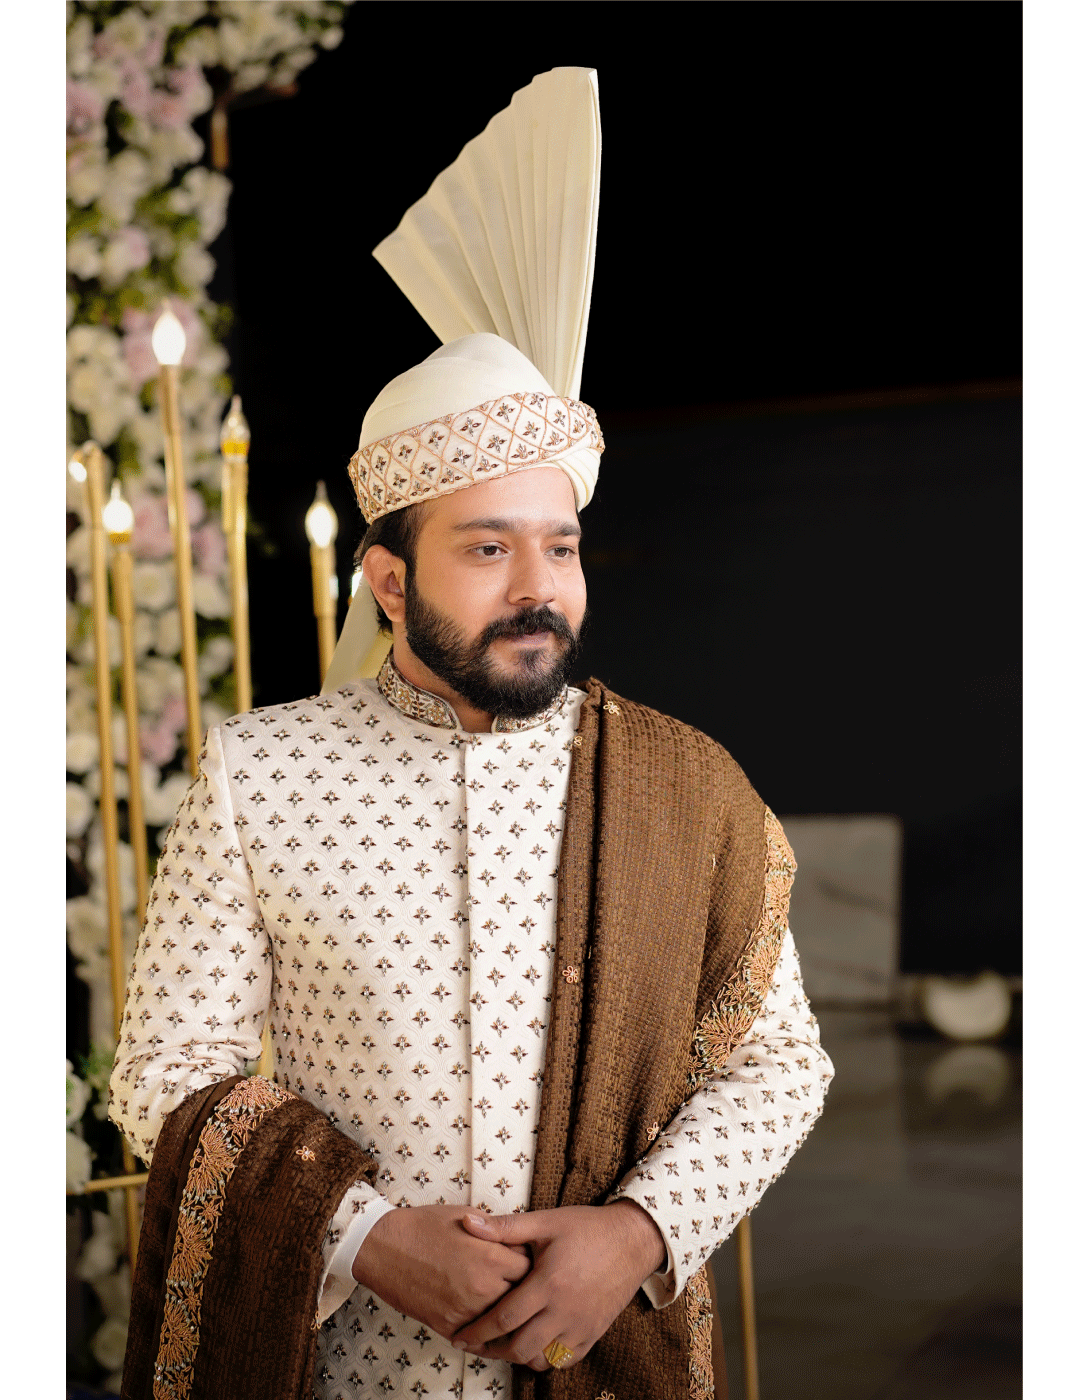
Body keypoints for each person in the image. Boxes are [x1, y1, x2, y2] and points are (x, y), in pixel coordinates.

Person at [110, 69, 833, 1400]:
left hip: (597, 1356)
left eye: (555, 546)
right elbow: (165, 1068)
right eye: (487, 549)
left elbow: (779, 1062)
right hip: (347, 1370)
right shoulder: (261, 774)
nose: (537, 590)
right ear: (390, 579)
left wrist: (636, 1235)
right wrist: (364, 1237)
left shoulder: (685, 785)